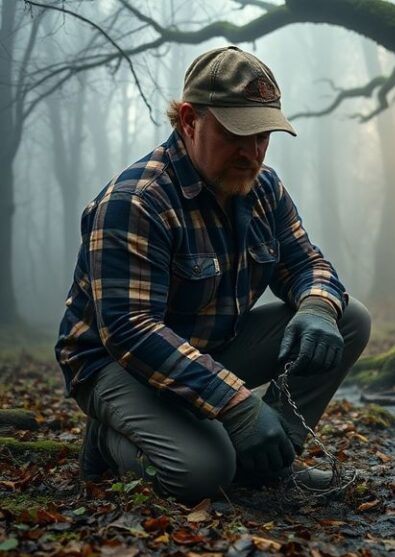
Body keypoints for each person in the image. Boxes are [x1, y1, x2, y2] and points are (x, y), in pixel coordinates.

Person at [55, 46, 371, 503]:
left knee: (348, 317)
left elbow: (307, 264)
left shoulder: (264, 189)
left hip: (210, 349)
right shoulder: (136, 202)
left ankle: (272, 464)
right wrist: (239, 407)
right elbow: (131, 332)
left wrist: (319, 307)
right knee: (203, 474)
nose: (252, 153)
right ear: (189, 120)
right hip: (116, 366)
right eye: (236, 135)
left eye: (263, 135)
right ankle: (108, 440)